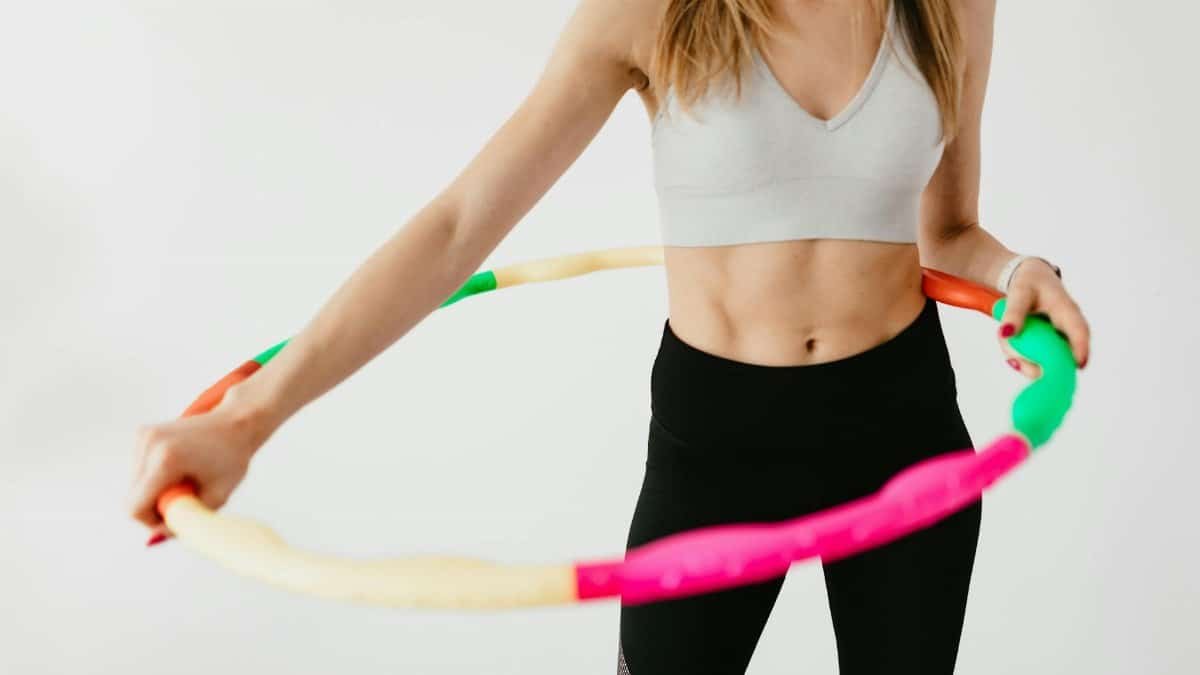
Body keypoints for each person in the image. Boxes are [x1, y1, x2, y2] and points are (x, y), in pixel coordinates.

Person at [128, 1, 1091, 672]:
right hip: (720, 439)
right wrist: (247, 419)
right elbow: (459, 227)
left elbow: (948, 232)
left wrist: (1017, 271)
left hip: (902, 424)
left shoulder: (950, 7)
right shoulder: (654, 9)